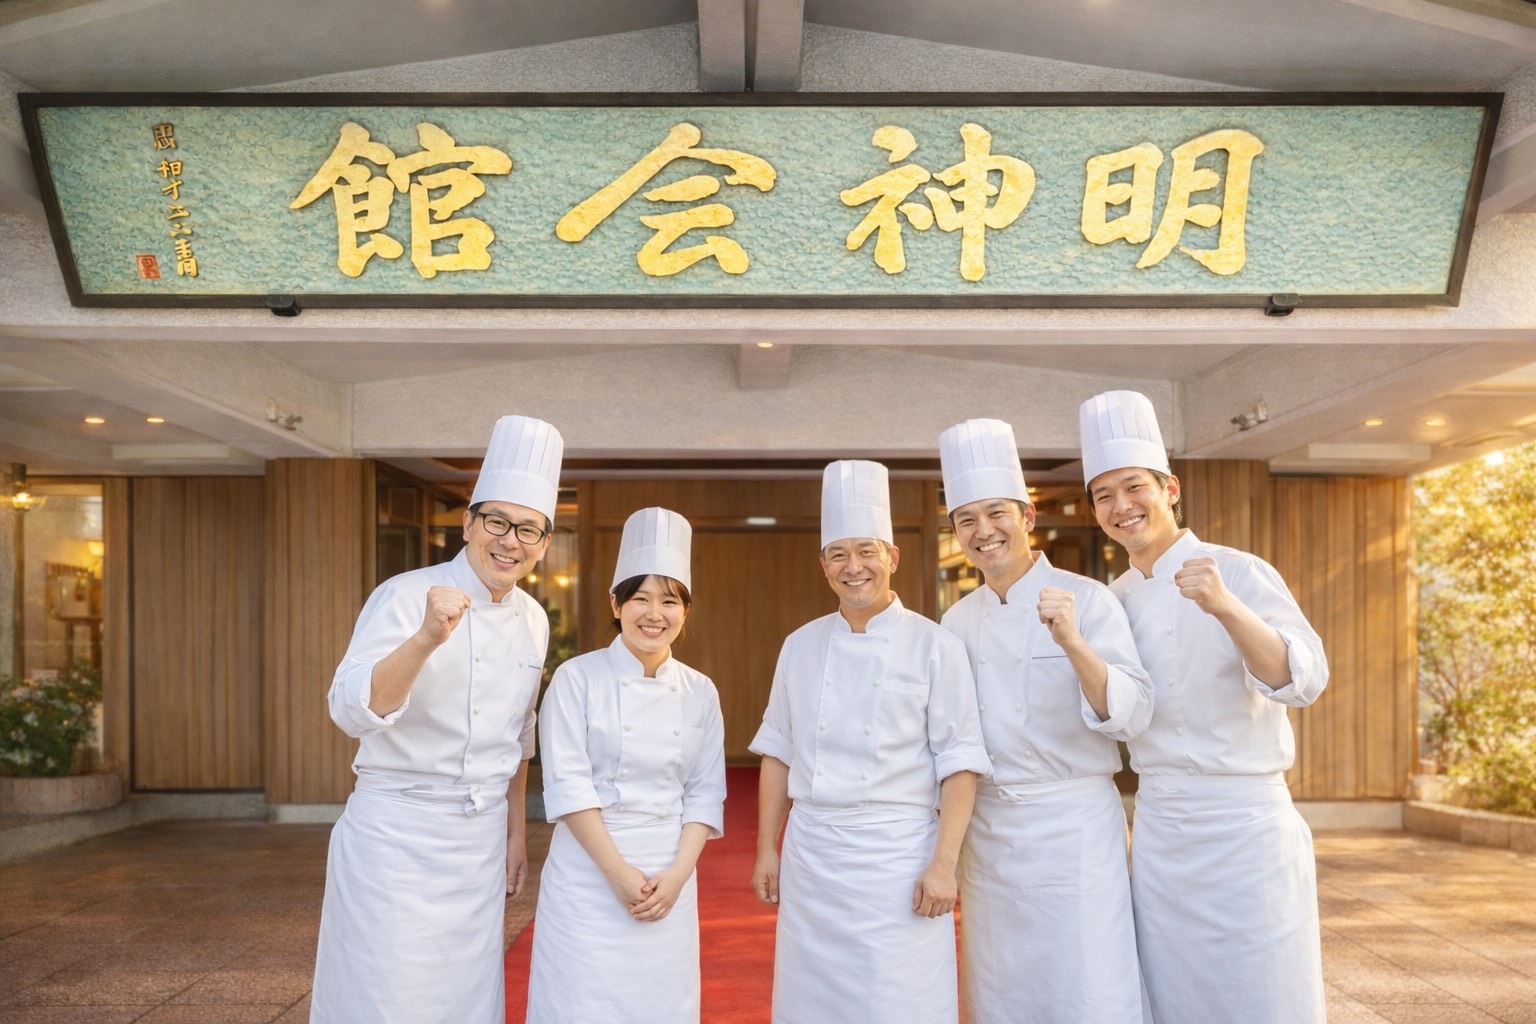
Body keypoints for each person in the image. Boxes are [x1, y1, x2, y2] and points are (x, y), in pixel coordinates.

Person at [1079, 390, 1329, 1024]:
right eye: (1103, 496)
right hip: (1163, 824)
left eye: (1133, 487)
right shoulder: (1112, 600)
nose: (1120, 506)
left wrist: (1225, 607)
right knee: (1175, 992)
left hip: (1247, 821)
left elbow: (1302, 680)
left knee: (1265, 988)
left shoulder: (1238, 571)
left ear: (1170, 487)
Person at [310, 414, 563, 1024]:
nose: (510, 541)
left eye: (528, 529)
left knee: (464, 998)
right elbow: (351, 710)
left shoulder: (533, 617)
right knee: (386, 994)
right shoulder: (406, 594)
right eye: (497, 522)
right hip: (396, 833)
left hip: (477, 843)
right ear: (470, 523)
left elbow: (519, 734)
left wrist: (513, 835)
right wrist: (426, 638)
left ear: (545, 542)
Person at [750, 459, 990, 1024]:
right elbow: (778, 750)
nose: (853, 567)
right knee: (813, 1000)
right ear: (823, 565)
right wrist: (767, 846)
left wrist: (944, 865)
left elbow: (959, 764)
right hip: (814, 855)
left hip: (898, 856)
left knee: (899, 997)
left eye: (867, 551)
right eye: (839, 554)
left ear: (892, 557)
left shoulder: (935, 646)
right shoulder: (800, 645)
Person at [937, 418, 1152, 1024]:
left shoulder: (1090, 598)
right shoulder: (955, 623)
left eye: (996, 513)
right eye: (965, 520)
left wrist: (1073, 641)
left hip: (1075, 830)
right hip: (990, 834)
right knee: (1001, 986)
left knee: (1087, 980)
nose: (983, 532)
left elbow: (1130, 714)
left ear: (1027, 516)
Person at [526, 507, 726, 1024]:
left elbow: (705, 791)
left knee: (661, 1003)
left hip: (668, 870)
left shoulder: (700, 690)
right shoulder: (576, 678)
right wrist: (616, 872)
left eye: (669, 600)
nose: (654, 613)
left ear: (685, 611)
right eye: (640, 598)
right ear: (616, 604)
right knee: (580, 1000)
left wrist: (679, 876)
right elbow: (568, 785)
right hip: (589, 871)